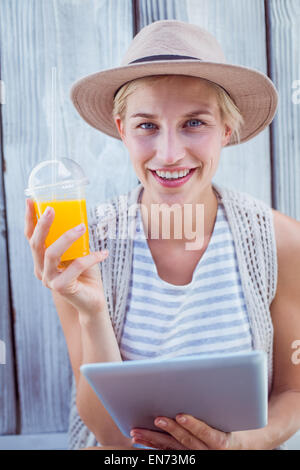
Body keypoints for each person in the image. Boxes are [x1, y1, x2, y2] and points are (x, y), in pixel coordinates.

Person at [24, 20, 300, 450]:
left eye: (194, 123)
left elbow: (294, 391)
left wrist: (239, 445)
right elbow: (113, 439)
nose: (169, 153)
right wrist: (91, 312)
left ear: (226, 131)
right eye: (147, 126)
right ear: (122, 130)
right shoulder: (81, 247)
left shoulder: (280, 243)